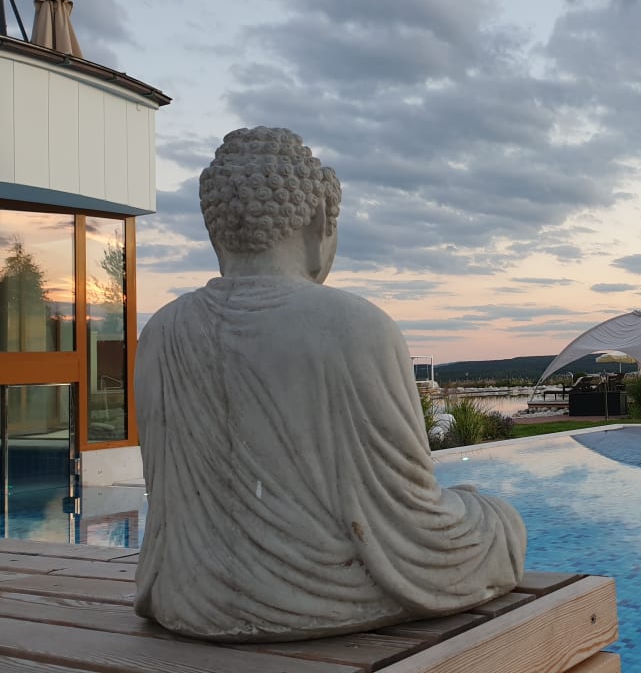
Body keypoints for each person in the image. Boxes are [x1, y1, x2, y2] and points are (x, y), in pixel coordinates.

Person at [134, 127, 525, 642]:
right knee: (499, 520)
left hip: (188, 596)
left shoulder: (161, 330)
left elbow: (164, 504)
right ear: (320, 220)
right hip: (326, 599)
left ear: (216, 231)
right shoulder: (354, 324)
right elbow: (406, 514)